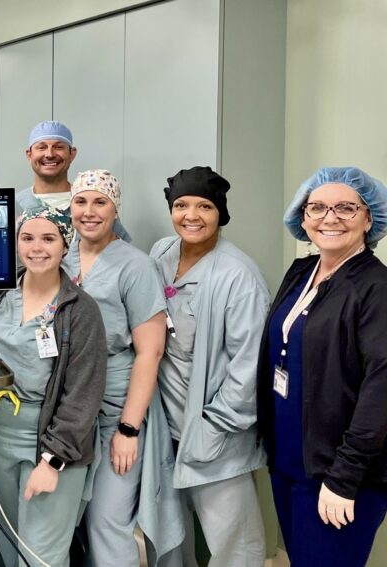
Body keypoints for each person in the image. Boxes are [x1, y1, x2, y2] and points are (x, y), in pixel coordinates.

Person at [257, 167, 387, 566]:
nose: (330, 218)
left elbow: (381, 389)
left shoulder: (376, 288)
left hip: (339, 472)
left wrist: (344, 477)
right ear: (302, 216)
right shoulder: (302, 272)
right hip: (291, 462)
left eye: (347, 208)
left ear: (369, 218)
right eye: (317, 207)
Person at [62, 169, 182, 565]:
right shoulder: (60, 258)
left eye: (101, 202)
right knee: (67, 520)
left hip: (116, 409)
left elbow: (150, 353)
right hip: (68, 409)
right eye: (81, 201)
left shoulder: (134, 266)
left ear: (116, 209)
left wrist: (129, 429)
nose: (89, 211)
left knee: (107, 521)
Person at [150, 167, 268, 567]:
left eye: (204, 206)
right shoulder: (161, 254)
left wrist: (216, 427)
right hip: (166, 427)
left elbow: (248, 366)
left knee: (233, 544)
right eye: (181, 205)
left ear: (221, 213)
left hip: (215, 432)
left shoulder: (239, 276)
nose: (191, 215)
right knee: (167, 533)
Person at [0, 205, 107, 567]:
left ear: (65, 245)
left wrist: (52, 461)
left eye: (49, 238)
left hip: (51, 444)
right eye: (27, 237)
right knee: (9, 545)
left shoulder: (79, 310)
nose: (37, 247)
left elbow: (83, 393)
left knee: (42, 557)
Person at [17, 121, 78, 214]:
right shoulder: (15, 205)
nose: (50, 154)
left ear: (72, 154)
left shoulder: (88, 201)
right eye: (41, 147)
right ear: (29, 155)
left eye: (59, 147)